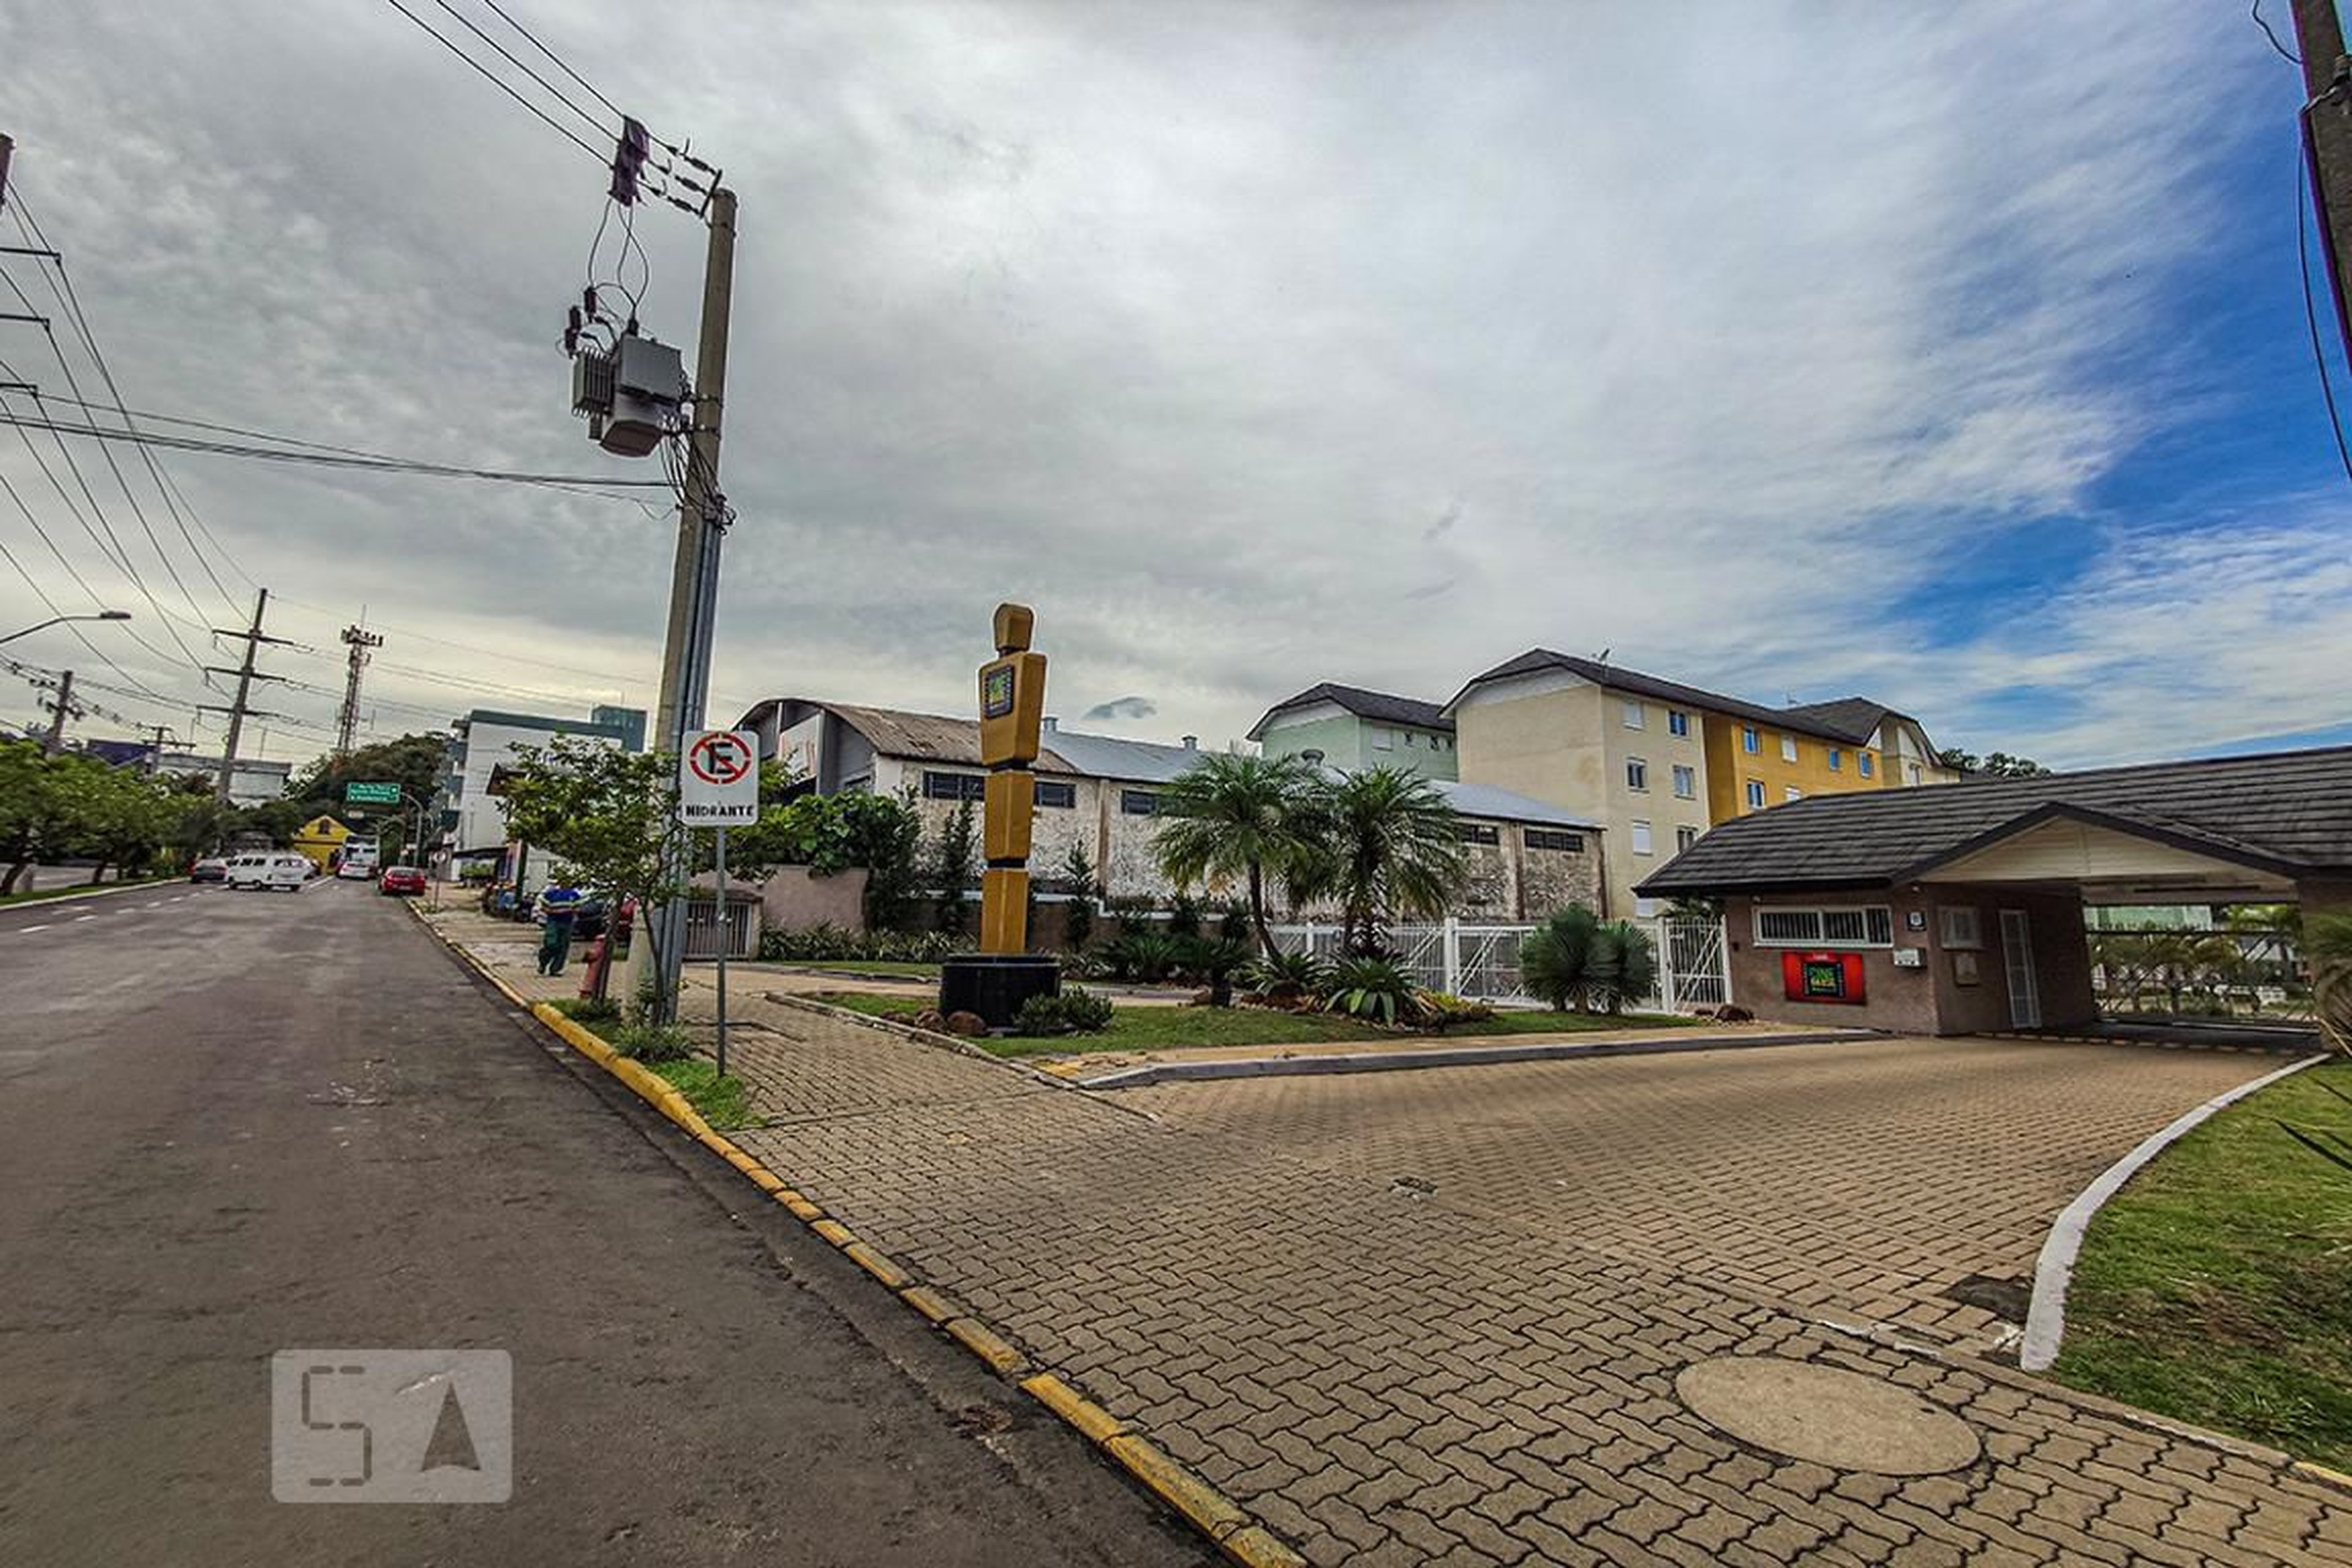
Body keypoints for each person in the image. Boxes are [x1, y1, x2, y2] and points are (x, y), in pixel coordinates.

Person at [537, 879, 584, 976]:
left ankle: (555, 969)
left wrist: (574, 916)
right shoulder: (551, 894)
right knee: (551, 944)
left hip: (567, 922)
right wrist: (552, 911)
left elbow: (577, 908)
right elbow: (544, 907)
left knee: (563, 947)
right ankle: (543, 963)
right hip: (553, 922)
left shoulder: (574, 895)